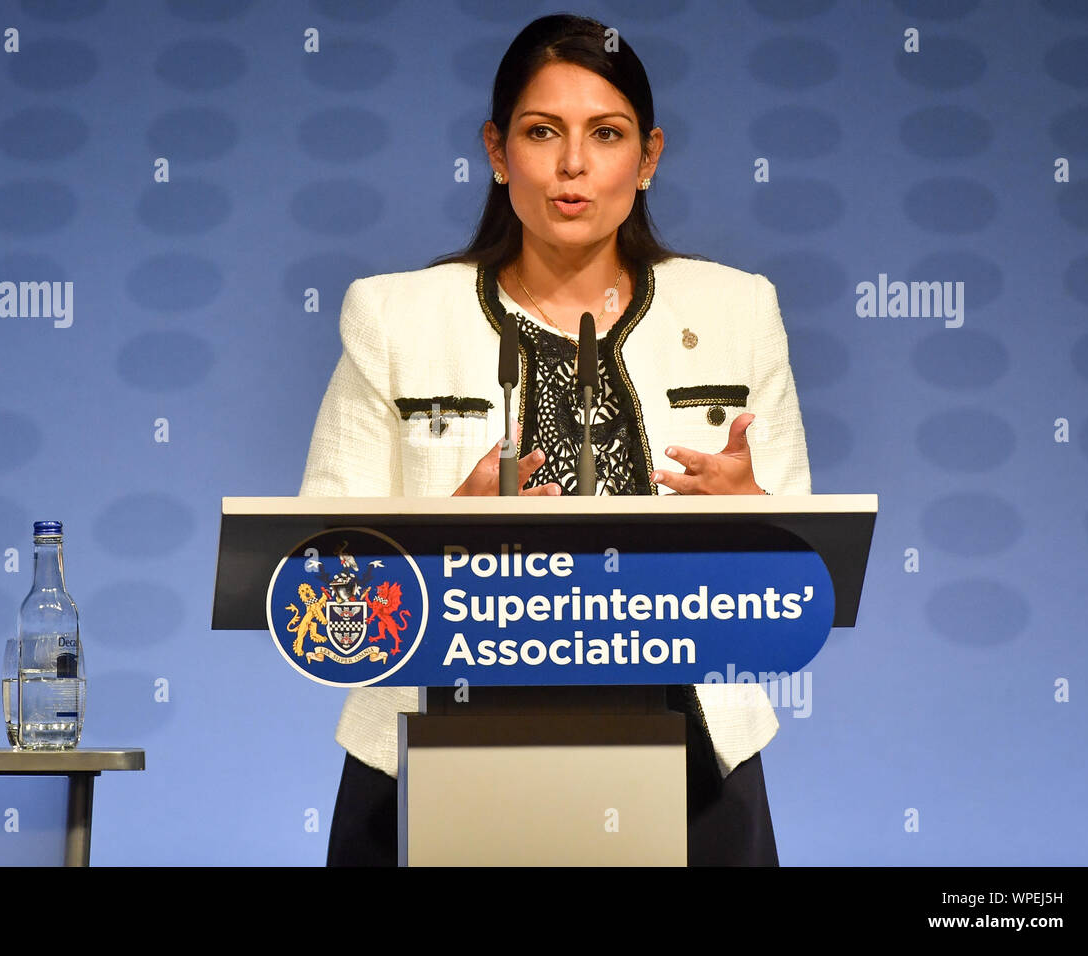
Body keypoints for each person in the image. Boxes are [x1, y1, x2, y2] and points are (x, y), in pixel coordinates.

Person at [298, 13, 810, 866]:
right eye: (543, 133)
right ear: (498, 153)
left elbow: (805, 560)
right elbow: (318, 560)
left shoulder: (736, 309)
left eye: (605, 136)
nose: (573, 166)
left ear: (646, 159)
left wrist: (749, 513)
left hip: (686, 755)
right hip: (434, 748)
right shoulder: (394, 314)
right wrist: (432, 532)